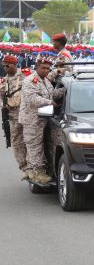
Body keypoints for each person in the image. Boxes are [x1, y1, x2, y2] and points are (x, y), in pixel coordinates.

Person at [19, 56, 55, 184]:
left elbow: (52, 93)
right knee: (34, 146)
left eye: (48, 68)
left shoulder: (45, 81)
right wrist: (50, 102)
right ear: (37, 67)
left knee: (38, 145)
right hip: (31, 119)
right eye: (43, 68)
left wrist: (65, 90)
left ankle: (33, 171)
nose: (46, 70)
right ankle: (37, 174)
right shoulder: (30, 81)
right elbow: (32, 99)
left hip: (41, 118)